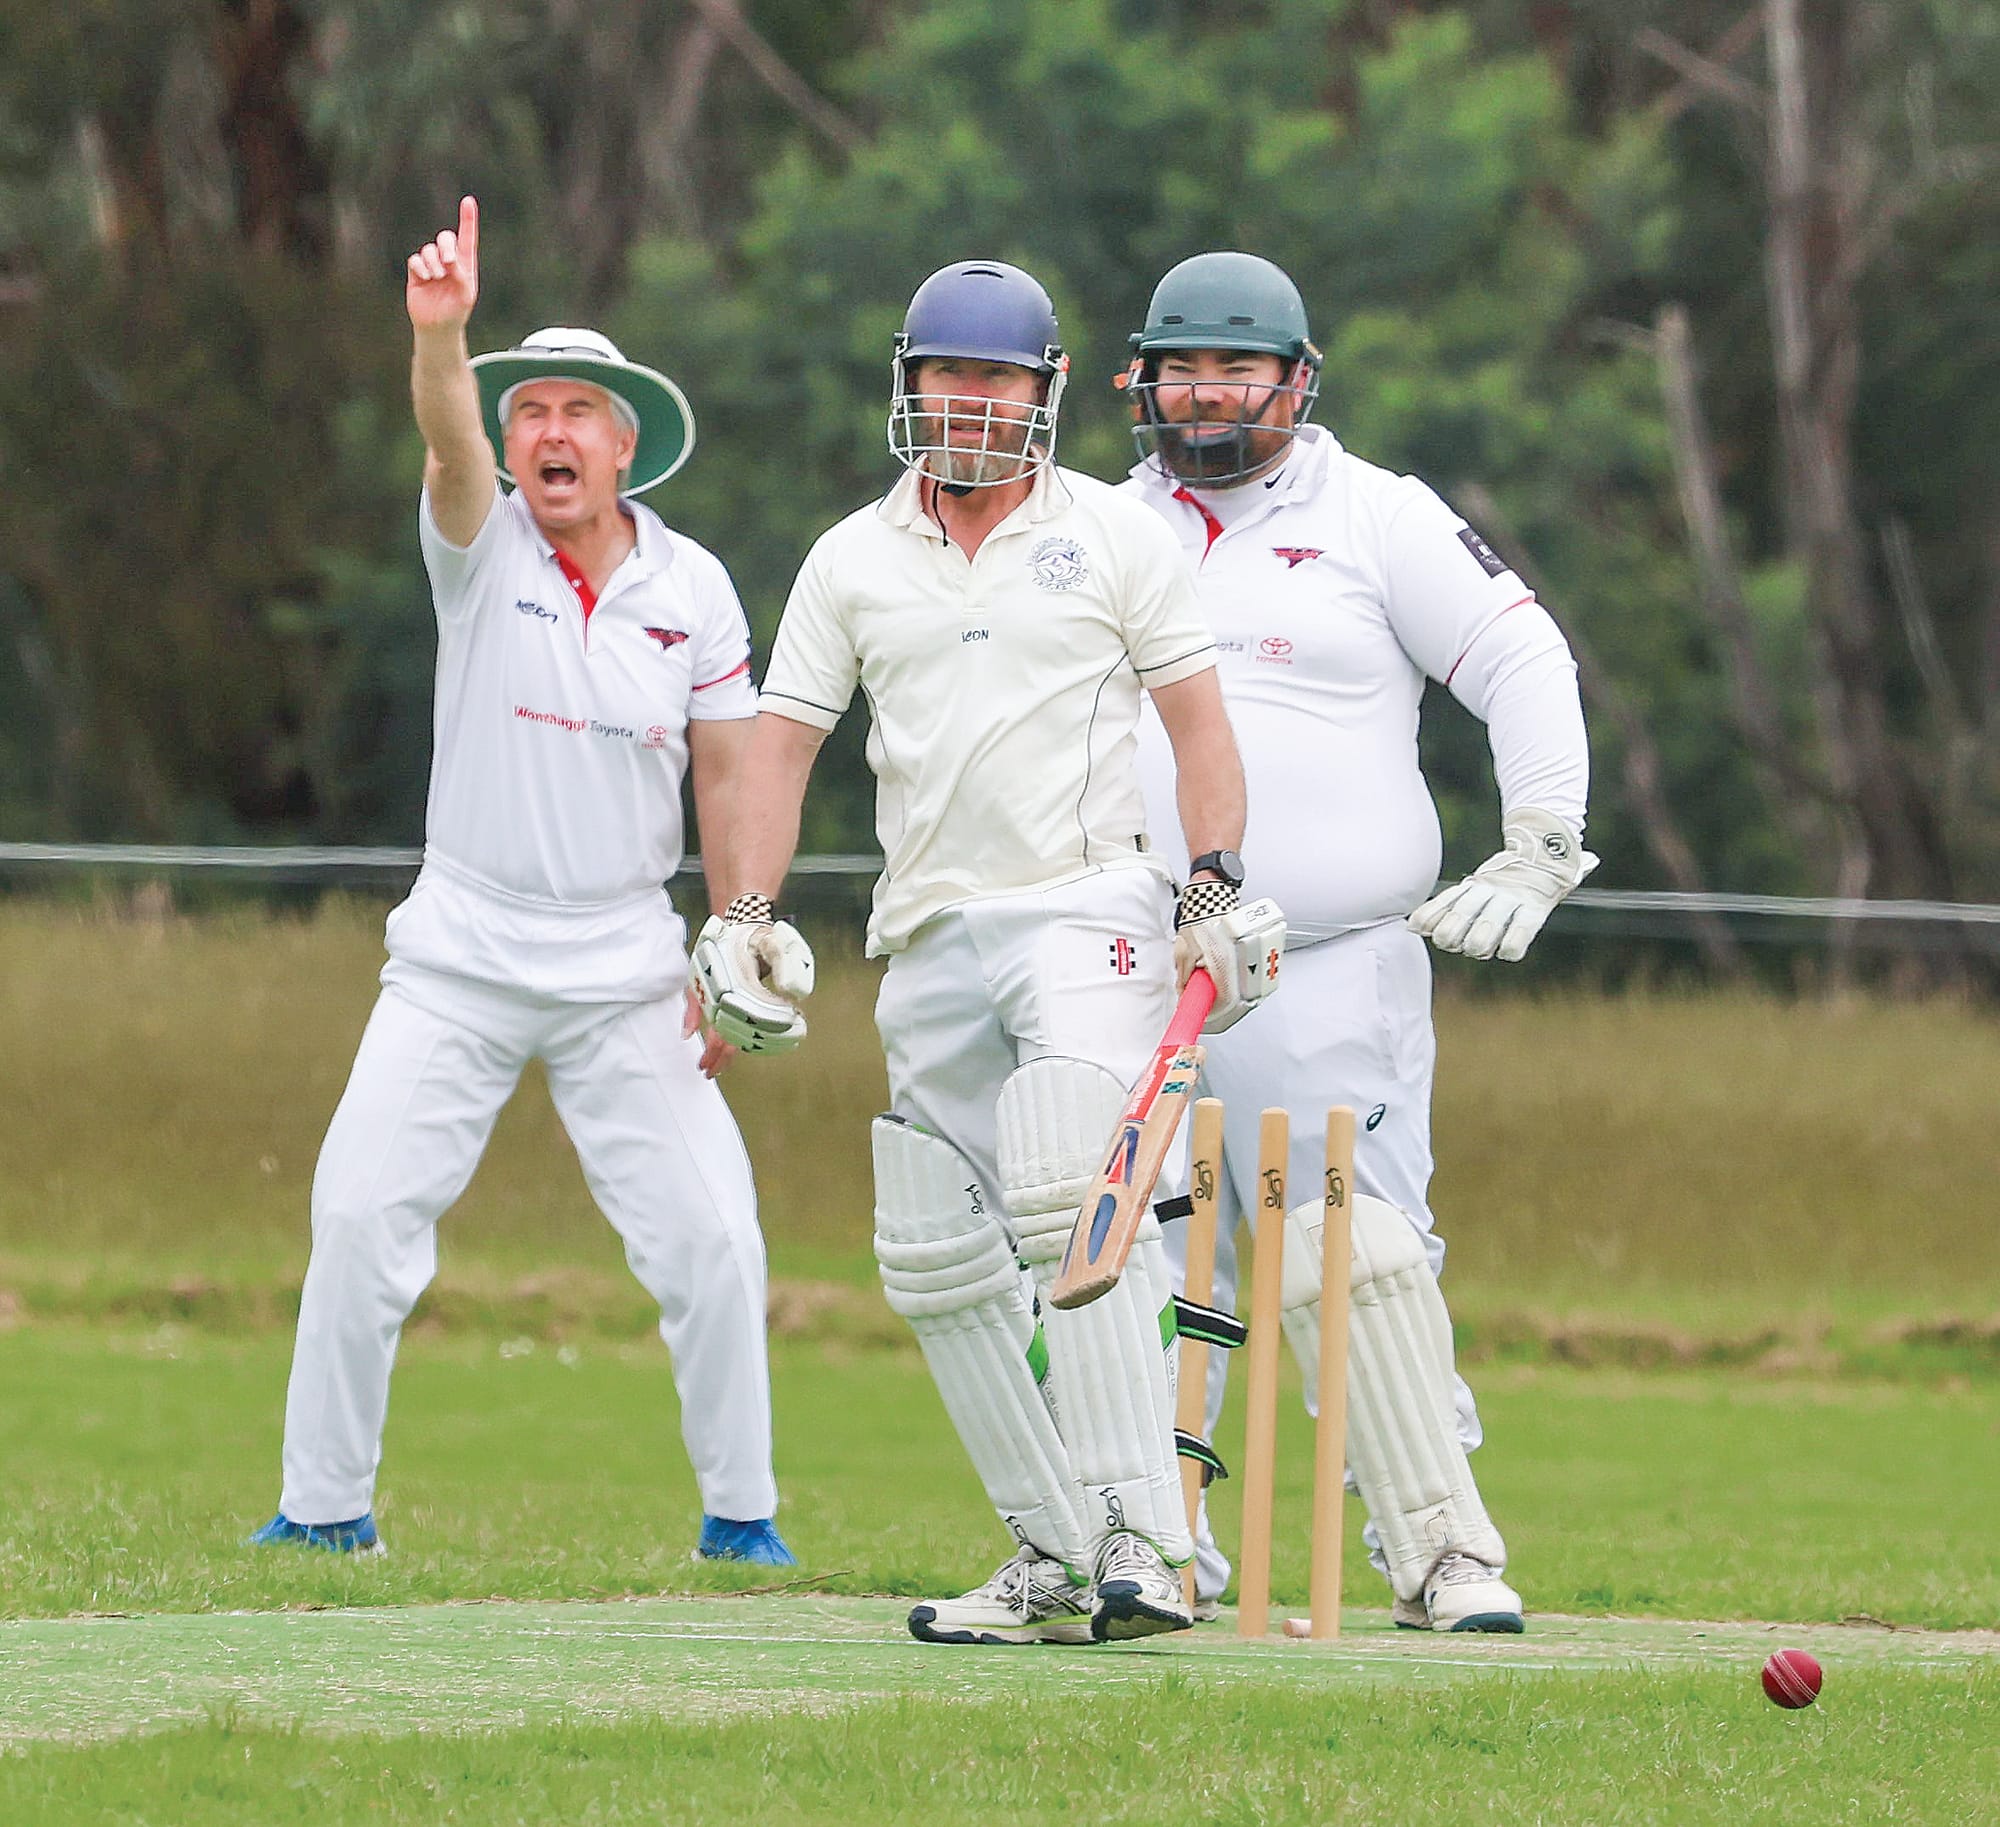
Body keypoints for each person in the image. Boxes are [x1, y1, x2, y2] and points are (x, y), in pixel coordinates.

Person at [700, 259, 1284, 1643]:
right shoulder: (850, 558)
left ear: (1047, 394)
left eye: (998, 380)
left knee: (1067, 1196)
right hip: (928, 930)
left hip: (1087, 905)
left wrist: (1211, 886)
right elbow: (781, 749)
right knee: (934, 1251)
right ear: (909, 390)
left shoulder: (1121, 541)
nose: (971, 403)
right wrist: (741, 914)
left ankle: (1151, 1543)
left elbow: (1202, 732)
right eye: (946, 377)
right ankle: (1054, 1551)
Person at [248, 197, 796, 1566]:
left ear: (623, 444)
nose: (549, 431)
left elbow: (730, 775)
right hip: (461, 952)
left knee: (715, 1243)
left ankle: (743, 1522)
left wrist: (736, 942)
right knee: (361, 1215)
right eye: (528, 410)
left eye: (576, 413)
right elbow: (443, 434)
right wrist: (442, 337)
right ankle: (322, 1517)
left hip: (626, 967)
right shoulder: (478, 540)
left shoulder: (698, 588)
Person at [1122, 251, 1597, 1633]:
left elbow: (1522, 655)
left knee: (1357, 1251)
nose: (1207, 394)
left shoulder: (1375, 512)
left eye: (1238, 368)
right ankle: (1147, 1546)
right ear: (1140, 378)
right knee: (1130, 1263)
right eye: (1182, 367)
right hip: (1132, 966)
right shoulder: (1090, 523)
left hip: (1327, 960)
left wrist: (1545, 831)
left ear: (1296, 378)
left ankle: (1440, 1549)